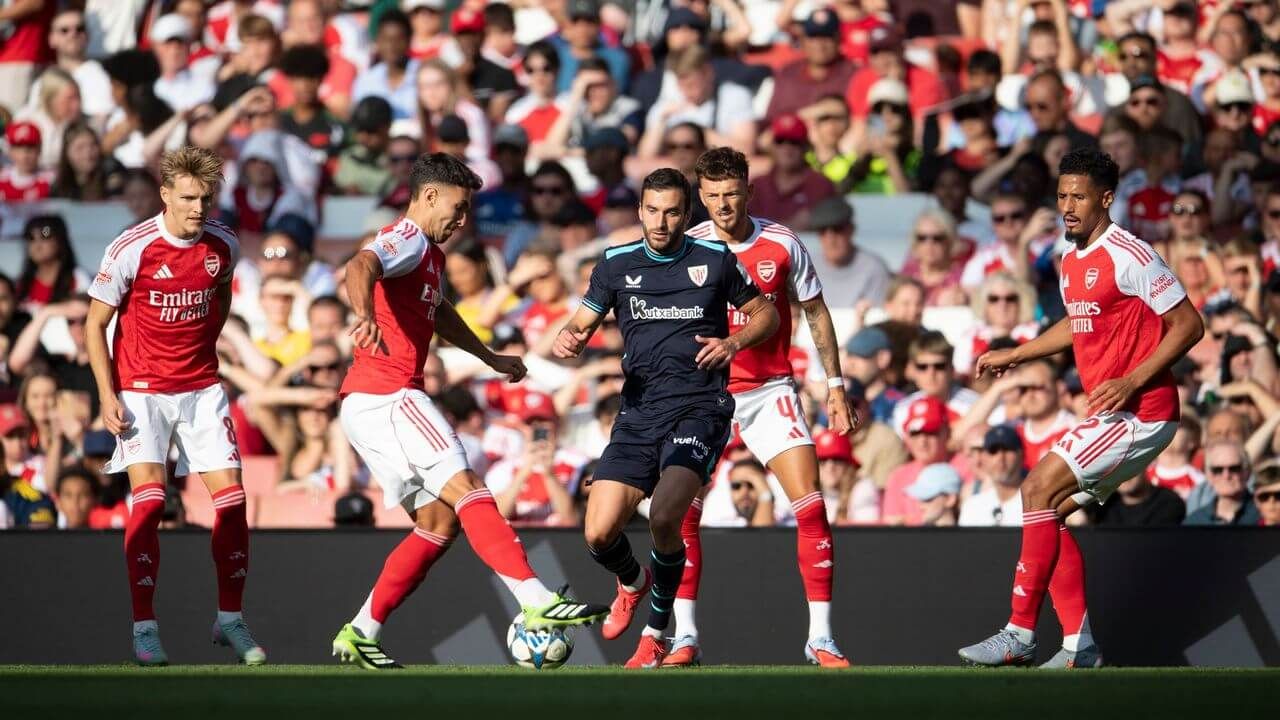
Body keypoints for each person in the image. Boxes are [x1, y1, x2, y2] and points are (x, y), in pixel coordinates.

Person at [330, 153, 609, 670]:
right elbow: (361, 264)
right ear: (429, 195)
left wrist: (489, 357)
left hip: (371, 404)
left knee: (438, 523)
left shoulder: (429, 257)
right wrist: (364, 314)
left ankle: (361, 630)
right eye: (457, 208)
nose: (462, 220)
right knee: (471, 489)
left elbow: (438, 312)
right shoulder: (408, 236)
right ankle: (535, 598)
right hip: (389, 394)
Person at [958, 148, 1204, 668]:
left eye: (1079, 197)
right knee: (1047, 513)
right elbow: (1078, 322)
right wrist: (1017, 353)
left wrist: (1133, 378)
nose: (1067, 206)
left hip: (1142, 411)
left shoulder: (1132, 254)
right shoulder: (1071, 258)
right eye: (1062, 196)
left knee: (1035, 488)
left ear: (1106, 199)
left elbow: (1188, 325)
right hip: (1112, 414)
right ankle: (1079, 646)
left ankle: (1019, 633)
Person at [552, 168, 779, 669]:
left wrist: (733, 342)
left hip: (699, 408)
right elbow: (580, 323)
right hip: (638, 412)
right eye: (652, 210)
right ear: (639, 211)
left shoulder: (715, 260)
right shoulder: (615, 263)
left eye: (672, 212)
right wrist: (570, 338)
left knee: (663, 517)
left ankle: (657, 632)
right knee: (597, 533)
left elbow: (767, 314)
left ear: (686, 213)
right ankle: (634, 581)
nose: (661, 221)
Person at [665, 147, 856, 667]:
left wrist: (835, 385)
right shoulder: (688, 245)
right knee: (681, 513)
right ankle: (684, 636)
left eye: (732, 194)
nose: (723, 206)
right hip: (705, 394)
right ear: (700, 198)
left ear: (749, 191)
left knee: (811, 505)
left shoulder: (783, 243)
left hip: (770, 389)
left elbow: (815, 311)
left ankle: (821, 638)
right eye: (712, 196)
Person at [84, 146, 263, 667]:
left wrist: (204, 350)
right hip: (141, 390)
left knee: (232, 500)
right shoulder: (132, 247)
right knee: (151, 502)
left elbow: (221, 298)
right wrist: (106, 393)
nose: (197, 208)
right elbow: (95, 323)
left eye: (205, 198)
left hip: (201, 388)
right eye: (187, 198)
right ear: (165, 194)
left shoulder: (223, 244)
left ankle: (230, 618)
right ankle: (145, 628)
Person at [958, 425, 1025, 527]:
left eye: (1007, 449)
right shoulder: (973, 506)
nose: (1000, 457)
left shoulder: (1038, 504)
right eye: (993, 451)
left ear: (1020, 454)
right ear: (984, 458)